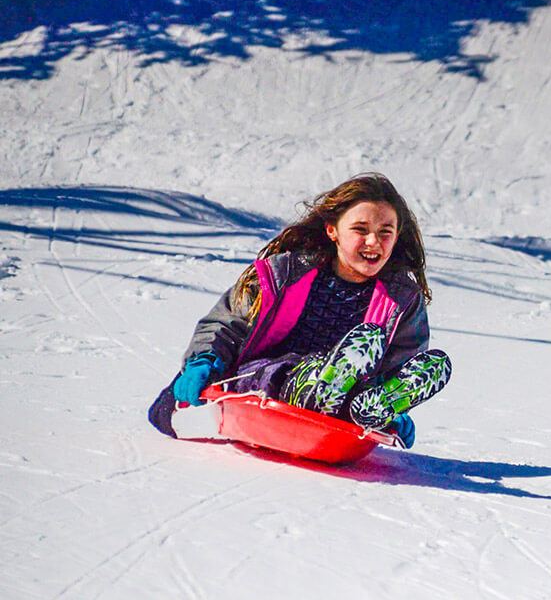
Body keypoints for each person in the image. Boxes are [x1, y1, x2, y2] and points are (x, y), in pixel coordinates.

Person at [148, 173, 451, 448]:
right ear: (332, 230)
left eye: (386, 232)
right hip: (266, 383)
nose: (374, 242)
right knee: (291, 370)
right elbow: (228, 323)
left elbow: (401, 359)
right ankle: (324, 388)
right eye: (361, 229)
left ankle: (366, 405)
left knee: (366, 352)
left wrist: (396, 410)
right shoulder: (284, 274)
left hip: (343, 407)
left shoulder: (401, 298)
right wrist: (204, 360)